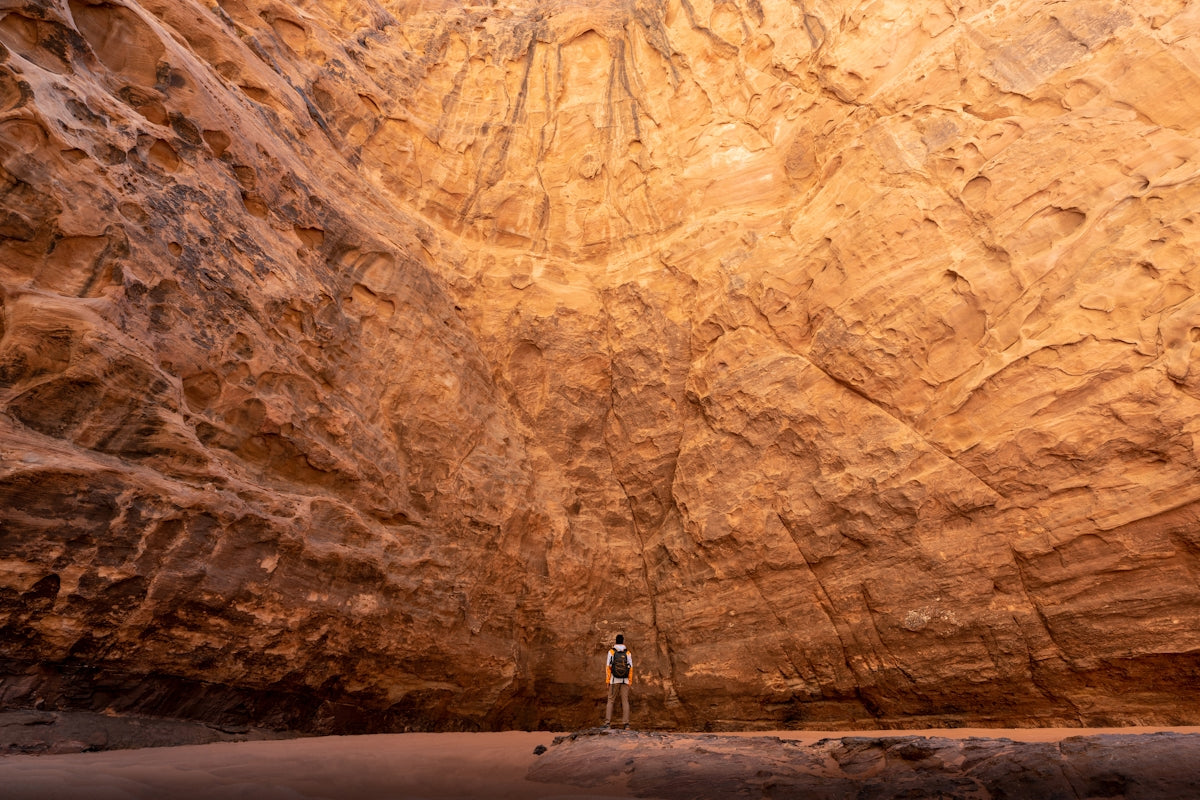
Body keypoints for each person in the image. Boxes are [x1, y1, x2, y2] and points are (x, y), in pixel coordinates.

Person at [604, 634, 633, 729]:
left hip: (614, 679)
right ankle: (626, 724)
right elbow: (631, 667)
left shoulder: (611, 652)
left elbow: (608, 667)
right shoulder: (627, 653)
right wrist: (630, 681)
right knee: (625, 701)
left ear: (615, 641)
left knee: (611, 700)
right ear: (623, 641)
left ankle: (607, 723)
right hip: (625, 680)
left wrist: (607, 681)